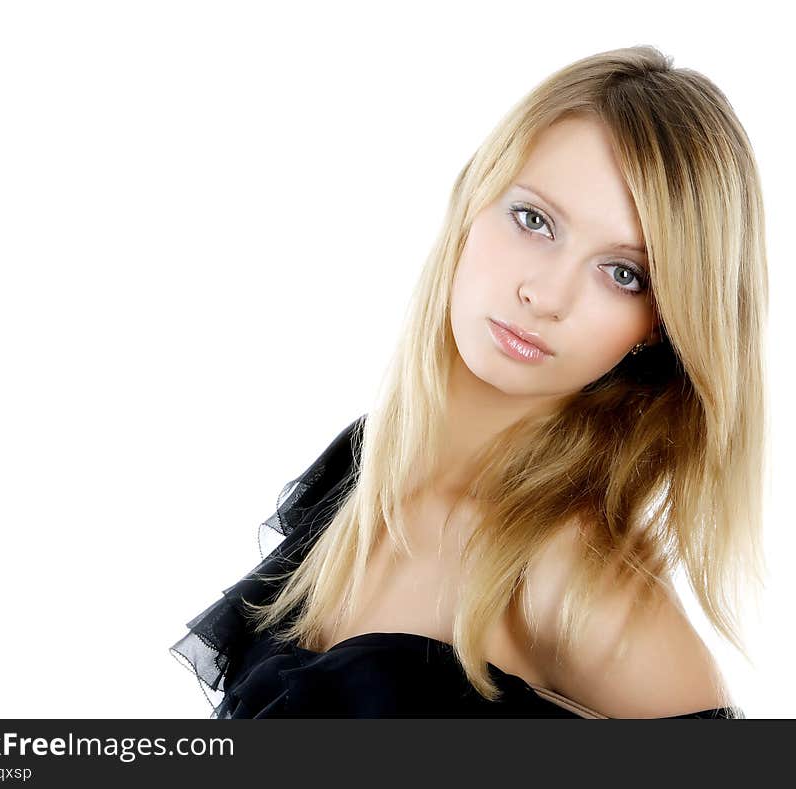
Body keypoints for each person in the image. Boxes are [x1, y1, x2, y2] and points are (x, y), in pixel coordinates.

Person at [170, 44, 767, 718]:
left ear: (659, 324)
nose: (546, 294)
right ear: (476, 197)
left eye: (622, 272)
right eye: (535, 220)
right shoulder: (362, 473)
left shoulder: (578, 589)